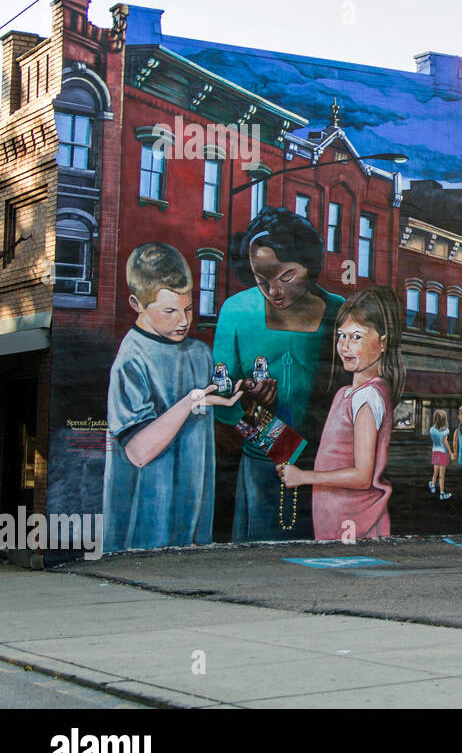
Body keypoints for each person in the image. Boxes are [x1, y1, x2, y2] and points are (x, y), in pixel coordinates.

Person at [102, 244, 244, 552]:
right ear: (136, 303)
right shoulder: (131, 360)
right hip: (143, 532)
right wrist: (192, 402)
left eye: (188, 308)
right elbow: (138, 452)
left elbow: (225, 415)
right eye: (169, 311)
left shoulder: (199, 354)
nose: (183, 321)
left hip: (194, 527)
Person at [213, 207, 343, 542]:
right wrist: (255, 410)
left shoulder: (340, 312)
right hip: (263, 468)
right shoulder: (236, 312)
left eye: (286, 277)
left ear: (310, 268)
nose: (274, 291)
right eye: (261, 280)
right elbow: (221, 403)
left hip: (328, 468)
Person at [279, 287, 404, 541]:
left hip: (356, 522)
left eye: (356, 336)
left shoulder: (367, 397)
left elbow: (362, 476)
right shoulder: (346, 393)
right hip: (336, 518)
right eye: (341, 336)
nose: (345, 346)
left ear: (382, 343)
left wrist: (303, 477)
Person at [428, 408, 451, 500]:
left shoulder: (432, 430)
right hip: (443, 453)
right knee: (441, 475)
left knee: (435, 473)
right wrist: (450, 451)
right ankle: (442, 493)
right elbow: (445, 442)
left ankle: (432, 486)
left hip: (435, 452)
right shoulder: (446, 431)